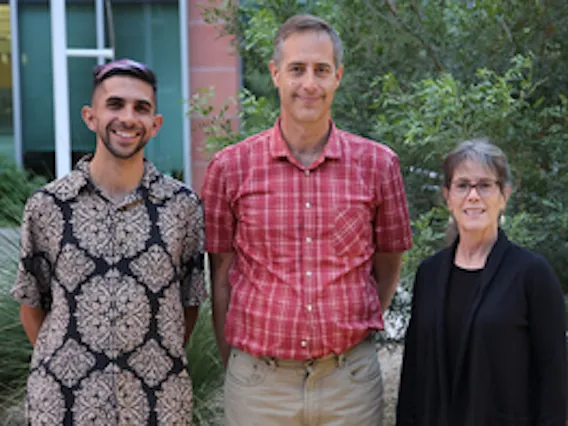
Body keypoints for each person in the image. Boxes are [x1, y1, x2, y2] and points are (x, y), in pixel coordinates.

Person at [201, 14, 413, 426]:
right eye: (297, 69)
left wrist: (351, 329)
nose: (309, 83)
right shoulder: (230, 168)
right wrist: (239, 366)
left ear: (338, 76)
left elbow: (388, 262)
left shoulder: (378, 165)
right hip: (259, 386)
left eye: (321, 70)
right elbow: (221, 275)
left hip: (348, 382)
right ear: (276, 74)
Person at [11, 58, 207, 425]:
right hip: (63, 405)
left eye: (141, 108)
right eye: (115, 104)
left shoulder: (183, 208)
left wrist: (149, 361)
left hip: (158, 404)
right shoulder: (48, 206)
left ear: (155, 124)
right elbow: (32, 306)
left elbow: (187, 305)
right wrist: (71, 365)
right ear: (91, 116)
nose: (128, 117)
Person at [396, 139, 567, 426]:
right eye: (463, 185)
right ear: (448, 196)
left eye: (485, 185)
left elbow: (554, 379)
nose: (473, 196)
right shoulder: (430, 274)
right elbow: (412, 373)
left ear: (505, 195)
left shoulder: (532, 274)